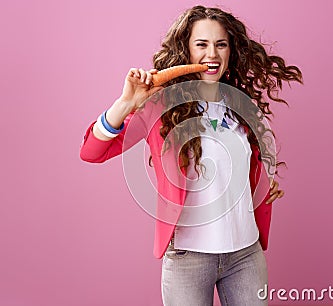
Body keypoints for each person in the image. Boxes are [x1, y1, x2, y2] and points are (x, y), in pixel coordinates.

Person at [80, 5, 302, 306]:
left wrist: (259, 186)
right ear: (186, 50)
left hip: (245, 254)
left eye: (220, 44)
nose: (212, 53)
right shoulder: (160, 107)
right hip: (188, 257)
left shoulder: (240, 105)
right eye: (202, 44)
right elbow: (92, 152)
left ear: (230, 51)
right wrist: (125, 103)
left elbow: (239, 165)